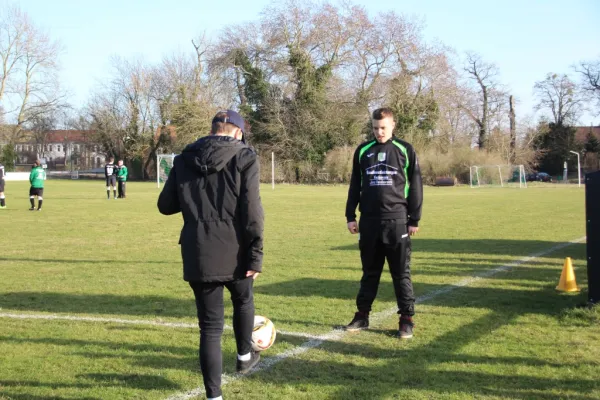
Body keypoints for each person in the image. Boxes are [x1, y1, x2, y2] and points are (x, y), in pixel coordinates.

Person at [157, 110, 264, 400]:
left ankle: (214, 397)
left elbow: (165, 205)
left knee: (210, 327)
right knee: (243, 300)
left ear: (213, 129)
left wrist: (194, 194)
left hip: (199, 249)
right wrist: (256, 254)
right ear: (238, 133)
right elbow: (252, 210)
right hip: (237, 247)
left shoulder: (183, 159)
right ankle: (244, 356)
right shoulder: (245, 156)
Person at [344, 107, 423, 339]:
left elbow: (416, 185)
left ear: (393, 125)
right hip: (368, 222)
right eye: (376, 128)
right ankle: (362, 316)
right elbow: (354, 185)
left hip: (397, 221)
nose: (379, 132)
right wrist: (350, 215)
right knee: (370, 273)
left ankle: (406, 319)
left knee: (401, 273)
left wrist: (414, 218)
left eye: (383, 128)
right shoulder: (363, 151)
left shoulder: (405, 150)